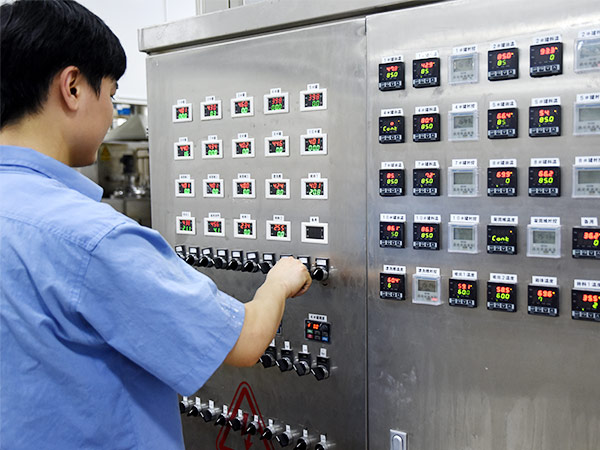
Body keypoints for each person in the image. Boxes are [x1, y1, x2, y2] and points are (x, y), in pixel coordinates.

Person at [0, 1, 312, 448]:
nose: (111, 113)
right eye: (111, 94)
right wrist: (279, 282)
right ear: (72, 87)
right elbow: (245, 340)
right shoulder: (91, 238)